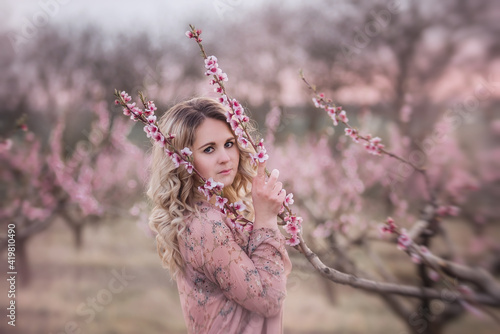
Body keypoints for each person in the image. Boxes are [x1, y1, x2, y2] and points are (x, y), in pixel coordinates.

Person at [147, 97, 292, 334]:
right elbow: (269, 300)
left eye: (229, 143)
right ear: (183, 161)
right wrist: (265, 220)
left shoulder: (217, 213)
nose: (225, 157)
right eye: (209, 149)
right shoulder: (206, 225)